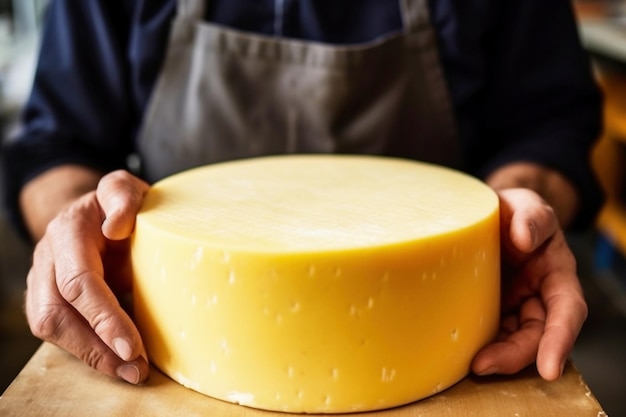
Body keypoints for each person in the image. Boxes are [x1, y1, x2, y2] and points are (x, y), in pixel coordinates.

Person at [1, 0, 604, 387]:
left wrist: (519, 206)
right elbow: (56, 144)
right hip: (164, 331)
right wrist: (73, 223)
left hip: (455, 333)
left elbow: (548, 122)